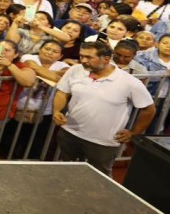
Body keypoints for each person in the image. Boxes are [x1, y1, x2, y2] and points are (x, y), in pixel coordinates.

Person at [52, 39, 156, 175]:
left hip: (103, 142)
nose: (83, 60)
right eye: (82, 56)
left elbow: (149, 109)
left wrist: (134, 132)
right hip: (70, 133)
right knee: (67, 171)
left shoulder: (130, 82)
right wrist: (56, 111)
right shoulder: (75, 70)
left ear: (106, 59)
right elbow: (63, 92)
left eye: (89, 57)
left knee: (99, 178)